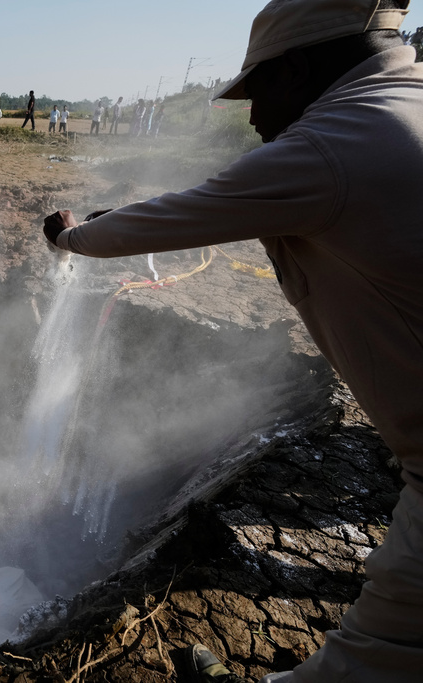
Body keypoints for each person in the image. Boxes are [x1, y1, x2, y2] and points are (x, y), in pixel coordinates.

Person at [43, 1, 423, 681]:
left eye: (259, 90)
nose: (251, 117)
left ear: (300, 69)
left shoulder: (330, 145)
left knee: (371, 663)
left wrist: (69, 235)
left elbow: (171, 218)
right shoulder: (400, 110)